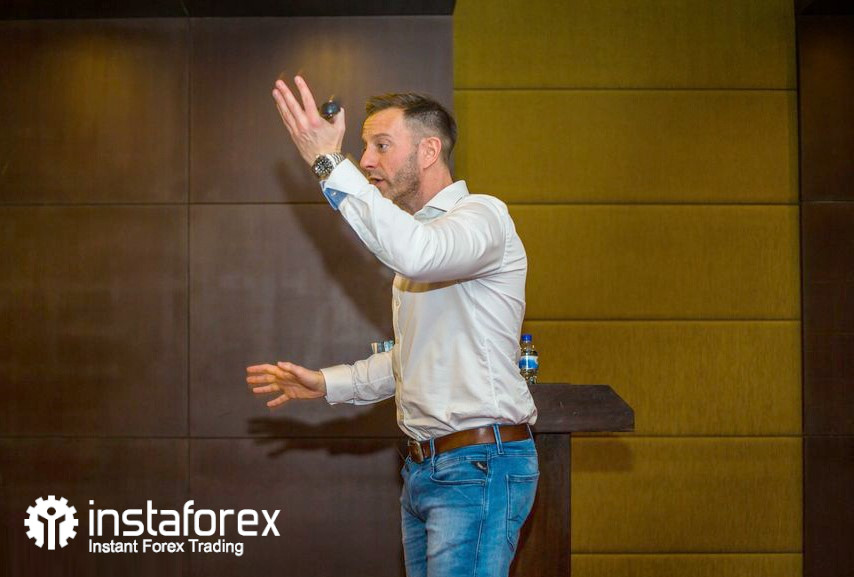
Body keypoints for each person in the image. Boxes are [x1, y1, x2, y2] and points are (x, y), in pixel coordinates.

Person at [246, 75, 538, 577]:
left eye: (381, 145)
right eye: (362, 147)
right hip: (426, 469)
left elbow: (417, 254)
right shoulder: (416, 241)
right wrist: (327, 384)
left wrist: (327, 161)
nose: (366, 160)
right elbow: (413, 357)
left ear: (429, 151)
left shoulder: (482, 217)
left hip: (478, 464)